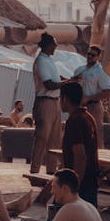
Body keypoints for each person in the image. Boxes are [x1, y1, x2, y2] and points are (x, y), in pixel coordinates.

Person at [18, 169, 104, 221]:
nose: (52, 191)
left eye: (54, 187)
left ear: (65, 189)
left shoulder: (71, 208)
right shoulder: (89, 205)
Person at [60, 83, 99, 209]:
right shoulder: (88, 117)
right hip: (91, 179)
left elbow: (80, 155)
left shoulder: (75, 120)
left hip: (81, 183)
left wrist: (74, 186)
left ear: (65, 99)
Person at [30, 32, 64, 174]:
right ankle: (35, 170)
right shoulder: (41, 61)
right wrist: (66, 83)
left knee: (54, 140)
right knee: (42, 137)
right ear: (48, 45)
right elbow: (49, 84)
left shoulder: (49, 60)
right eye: (54, 44)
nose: (55, 47)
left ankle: (51, 170)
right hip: (45, 102)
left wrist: (68, 80)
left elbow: (56, 78)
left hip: (55, 102)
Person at [73, 47, 110, 147]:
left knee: (95, 135)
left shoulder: (101, 72)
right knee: (78, 134)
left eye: (93, 55)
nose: (90, 56)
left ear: (98, 57)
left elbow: (107, 93)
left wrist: (88, 98)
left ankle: (98, 159)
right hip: (79, 106)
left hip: (93, 106)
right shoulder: (80, 69)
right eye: (88, 54)